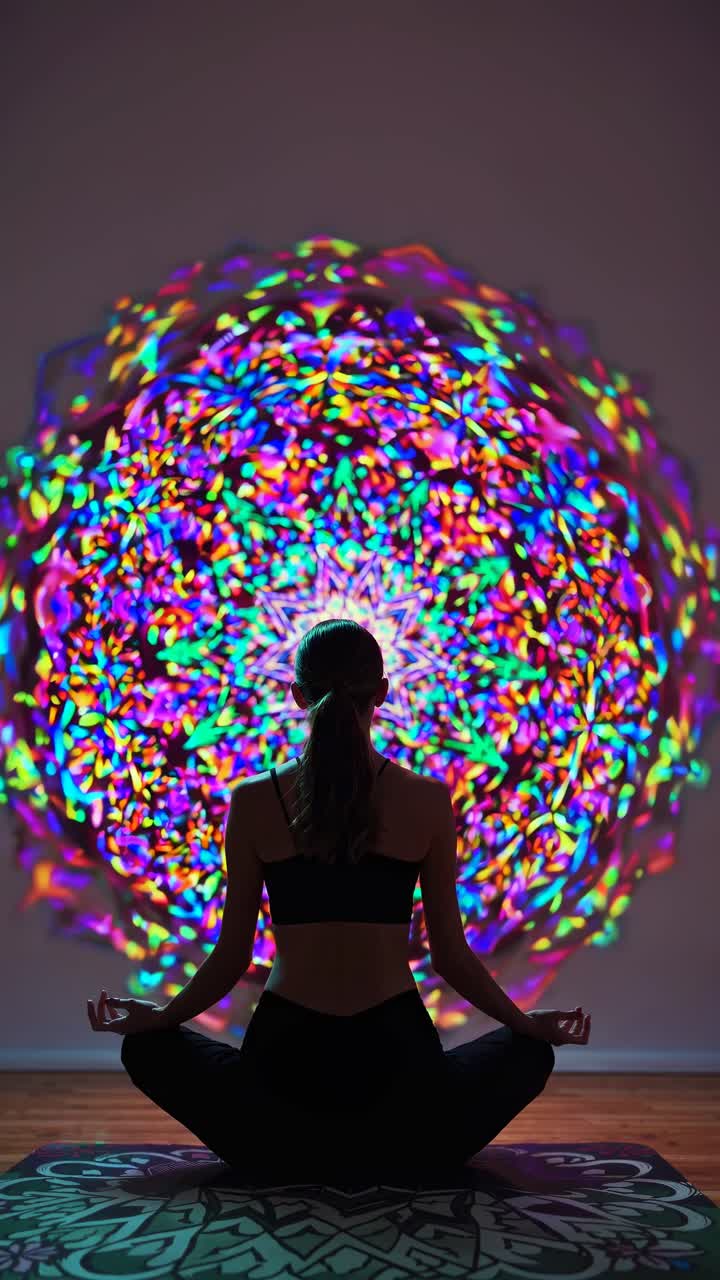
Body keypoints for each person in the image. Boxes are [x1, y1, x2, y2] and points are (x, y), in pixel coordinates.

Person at [88, 617, 591, 1184]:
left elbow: (231, 958)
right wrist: (524, 1025)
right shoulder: (426, 800)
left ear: (297, 695)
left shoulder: (253, 802)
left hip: (284, 1071)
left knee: (146, 1051)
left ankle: (292, 1152)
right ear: (382, 692)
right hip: (399, 1073)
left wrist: (160, 1019)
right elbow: (451, 957)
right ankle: (392, 1152)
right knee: (528, 1055)